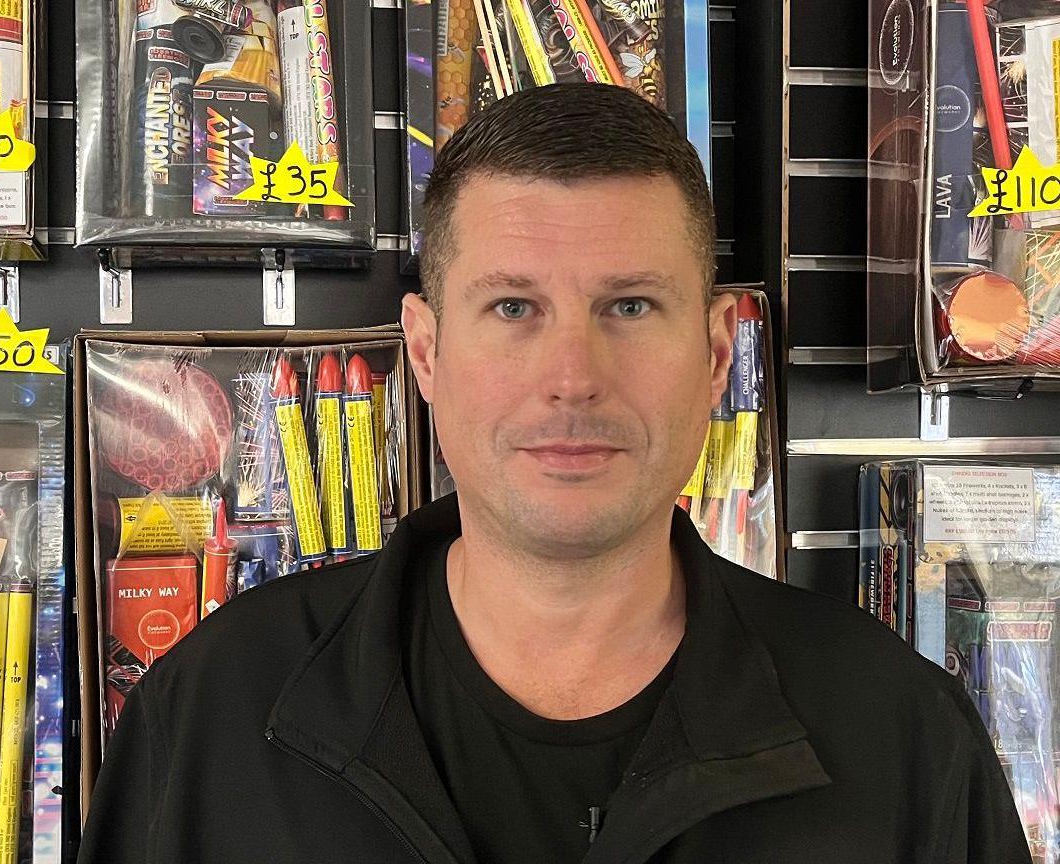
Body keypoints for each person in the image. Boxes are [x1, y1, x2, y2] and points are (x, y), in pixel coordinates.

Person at [76, 84, 1030, 863]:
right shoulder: (213, 717)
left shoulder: (903, 744)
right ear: (425, 351)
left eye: (629, 307)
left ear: (711, 357)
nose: (573, 379)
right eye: (512, 309)